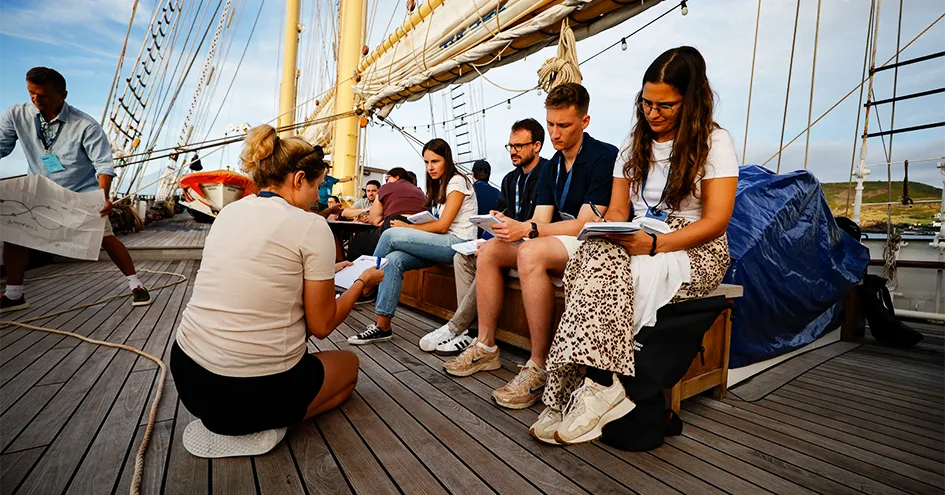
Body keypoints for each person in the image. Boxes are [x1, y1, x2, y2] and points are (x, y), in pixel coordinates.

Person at [529, 46, 739, 445]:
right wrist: (608, 231)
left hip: (694, 245)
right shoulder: (632, 144)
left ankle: (597, 384)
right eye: (646, 102)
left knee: (615, 268)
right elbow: (620, 210)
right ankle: (578, 389)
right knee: (589, 255)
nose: (653, 112)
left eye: (666, 105)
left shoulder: (715, 142)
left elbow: (716, 222)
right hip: (638, 233)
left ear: (691, 101)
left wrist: (656, 244)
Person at [171, 124, 384, 458]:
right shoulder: (312, 225)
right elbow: (321, 326)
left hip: (189, 376)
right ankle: (260, 422)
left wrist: (328, 272)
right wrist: (360, 283)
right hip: (250, 391)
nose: (318, 196)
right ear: (299, 179)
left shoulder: (230, 212)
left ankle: (238, 418)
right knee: (349, 369)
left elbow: (263, 270)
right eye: (317, 185)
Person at [443, 83, 617, 411]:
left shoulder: (603, 156)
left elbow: (584, 224)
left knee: (530, 251)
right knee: (493, 250)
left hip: (591, 243)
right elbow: (540, 218)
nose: (555, 133)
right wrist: (512, 229)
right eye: (550, 124)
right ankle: (486, 346)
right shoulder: (552, 167)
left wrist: (531, 230)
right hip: (556, 240)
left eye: (563, 125)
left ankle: (538, 365)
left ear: (585, 121)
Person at [0, 67, 151, 313]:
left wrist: (103, 196)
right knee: (14, 233)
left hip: (80, 194)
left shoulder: (86, 126)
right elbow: (1, 146)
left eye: (44, 95)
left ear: (63, 95)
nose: (37, 100)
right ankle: (14, 294)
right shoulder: (17, 115)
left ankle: (136, 284)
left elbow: (104, 165)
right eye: (31, 93)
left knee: (106, 238)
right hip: (39, 191)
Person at [419, 118, 548, 356]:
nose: (513, 151)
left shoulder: (548, 173)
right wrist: (494, 219)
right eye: (510, 146)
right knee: (462, 258)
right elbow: (505, 212)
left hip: (534, 243)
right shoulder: (510, 179)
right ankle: (471, 331)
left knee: (490, 256)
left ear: (537, 146)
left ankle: (456, 326)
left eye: (519, 146)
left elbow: (543, 220)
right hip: (508, 241)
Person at [348, 139, 478, 345]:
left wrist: (407, 227)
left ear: (448, 160)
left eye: (435, 161)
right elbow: (441, 223)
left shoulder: (457, 181)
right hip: (443, 241)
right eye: (426, 162)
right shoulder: (440, 184)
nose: (430, 167)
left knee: (390, 235)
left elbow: (444, 225)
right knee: (393, 259)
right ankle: (382, 326)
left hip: (458, 242)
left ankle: (362, 284)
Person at [345, 168, 427, 263]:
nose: (387, 181)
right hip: (418, 227)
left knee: (359, 240)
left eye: (388, 179)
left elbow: (374, 220)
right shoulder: (419, 191)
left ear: (396, 177)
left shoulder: (387, 187)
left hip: (394, 223)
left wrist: (384, 221)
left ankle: (355, 273)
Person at [471, 160, 500, 238]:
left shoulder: (468, 192)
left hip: (472, 236)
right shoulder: (498, 193)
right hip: (492, 236)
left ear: (472, 174)